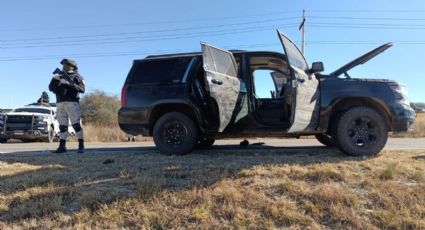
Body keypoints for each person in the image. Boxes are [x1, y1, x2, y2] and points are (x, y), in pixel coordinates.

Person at [49, 58, 85, 153]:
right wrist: (55, 80)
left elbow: (82, 90)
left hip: (72, 103)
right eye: (64, 65)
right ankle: (62, 147)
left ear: (72, 67)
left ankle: (81, 146)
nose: (64, 66)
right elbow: (51, 88)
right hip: (60, 103)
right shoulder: (59, 76)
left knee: (76, 125)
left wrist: (69, 84)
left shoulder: (77, 77)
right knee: (62, 126)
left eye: (66, 65)